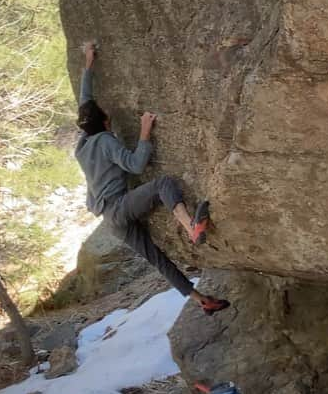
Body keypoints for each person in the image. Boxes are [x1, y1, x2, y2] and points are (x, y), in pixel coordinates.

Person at [75, 42, 229, 315]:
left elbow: (85, 97)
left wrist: (89, 60)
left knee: (156, 258)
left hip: (110, 220)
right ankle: (190, 226)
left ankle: (201, 300)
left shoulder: (82, 143)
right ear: (106, 123)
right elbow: (135, 165)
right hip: (119, 207)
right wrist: (145, 130)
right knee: (163, 184)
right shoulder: (105, 142)